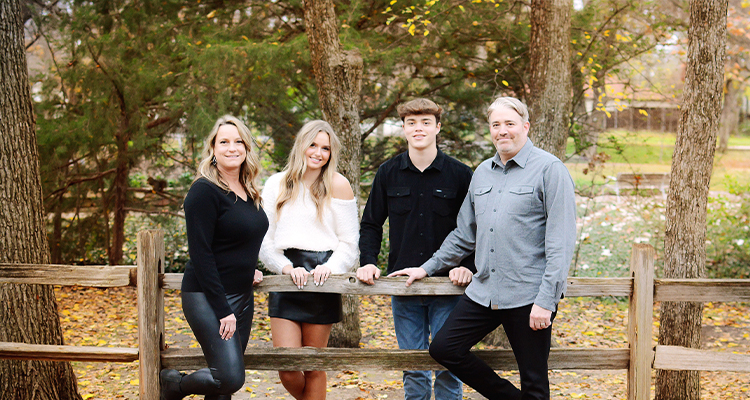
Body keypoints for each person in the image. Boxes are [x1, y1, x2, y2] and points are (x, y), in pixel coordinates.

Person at [390, 97, 577, 400]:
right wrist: (427, 267)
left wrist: (547, 300)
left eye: (510, 124)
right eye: (496, 125)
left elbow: (561, 241)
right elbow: (464, 234)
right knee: (444, 348)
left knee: (534, 381)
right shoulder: (482, 173)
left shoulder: (549, 170)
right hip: (484, 292)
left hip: (528, 296)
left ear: (525, 127)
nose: (503, 131)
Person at [357, 98, 474, 400]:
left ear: (438, 127)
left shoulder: (460, 174)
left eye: (425, 122)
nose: (418, 128)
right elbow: (371, 223)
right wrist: (369, 261)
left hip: (449, 285)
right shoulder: (388, 173)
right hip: (403, 286)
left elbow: (475, 228)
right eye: (411, 122)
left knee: (449, 362)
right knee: (412, 365)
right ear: (404, 128)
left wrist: (469, 266)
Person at [160, 115, 269, 400]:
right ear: (213, 148)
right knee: (229, 377)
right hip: (208, 297)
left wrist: (251, 269)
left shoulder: (249, 191)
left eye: (238, 142)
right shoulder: (203, 192)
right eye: (224, 142)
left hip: (242, 295)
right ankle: (175, 385)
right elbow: (201, 254)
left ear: (246, 147)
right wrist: (223, 310)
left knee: (222, 384)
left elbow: (242, 239)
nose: (232, 148)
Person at [259, 120, 359, 400]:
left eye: (325, 148)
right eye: (312, 144)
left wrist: (328, 269)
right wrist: (285, 268)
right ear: (300, 145)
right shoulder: (276, 183)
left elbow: (349, 244)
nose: (318, 152)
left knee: (314, 366)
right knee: (288, 367)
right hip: (286, 275)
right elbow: (265, 241)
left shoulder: (338, 184)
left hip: (322, 277)